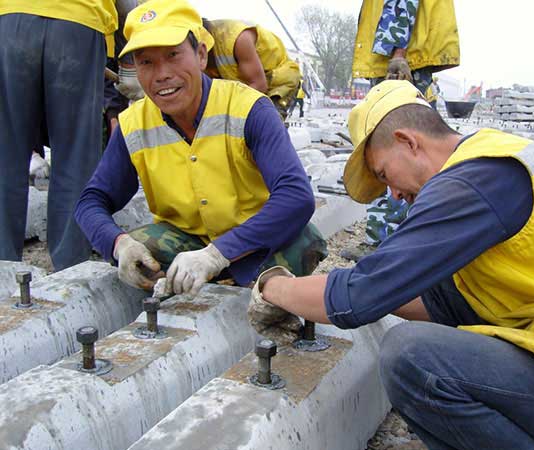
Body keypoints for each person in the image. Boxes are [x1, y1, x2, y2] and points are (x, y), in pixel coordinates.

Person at [249, 80, 534, 449]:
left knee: (412, 358)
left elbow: (361, 295)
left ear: (408, 141)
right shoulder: (489, 163)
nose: (394, 195)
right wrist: (345, 289)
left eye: (384, 175)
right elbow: (443, 303)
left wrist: (273, 288)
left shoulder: (474, 182)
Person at [75, 0, 327, 296]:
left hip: (259, 238)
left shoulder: (249, 109)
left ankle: (239, 280)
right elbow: (90, 201)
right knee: (141, 259)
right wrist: (119, 244)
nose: (162, 74)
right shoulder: (134, 124)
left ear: (201, 55)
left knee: (276, 279)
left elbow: (296, 197)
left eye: (173, 55)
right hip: (187, 241)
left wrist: (216, 255)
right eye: (146, 62)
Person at [0, 0, 134, 270]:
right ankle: (71, 265)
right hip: (79, 21)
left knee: (6, 150)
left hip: (11, 19)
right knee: (75, 155)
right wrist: (130, 63)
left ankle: (2, 263)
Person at [345, 0, 460, 260]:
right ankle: (394, 242)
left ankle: (393, 245)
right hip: (404, 57)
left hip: (399, 59)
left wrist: (398, 54)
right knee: (394, 161)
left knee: (391, 157)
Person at [203, 19, 301, 120]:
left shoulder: (238, 39)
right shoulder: (203, 56)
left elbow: (259, 85)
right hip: (250, 84)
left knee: (267, 121)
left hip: (279, 81)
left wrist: (227, 112)